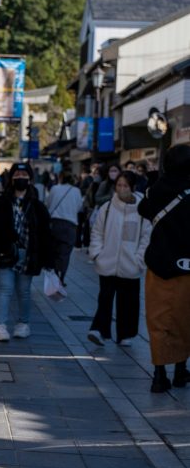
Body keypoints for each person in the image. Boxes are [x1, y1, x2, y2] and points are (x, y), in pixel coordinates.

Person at [0, 162, 53, 342]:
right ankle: (0, 326)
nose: (20, 178)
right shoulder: (0, 204)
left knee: (24, 291)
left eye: (24, 175)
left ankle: (23, 324)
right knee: (5, 289)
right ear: (11, 179)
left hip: (28, 254)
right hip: (4, 253)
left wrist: (48, 259)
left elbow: (45, 233)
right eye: (17, 175)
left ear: (30, 179)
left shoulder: (37, 206)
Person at [138, 145, 190, 392]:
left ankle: (159, 374)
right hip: (187, 267)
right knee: (185, 319)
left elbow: (142, 210)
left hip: (158, 265)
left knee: (158, 320)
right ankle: (181, 370)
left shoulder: (157, 190)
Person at [87, 171, 151, 348]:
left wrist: (139, 259)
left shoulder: (141, 210)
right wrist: (97, 254)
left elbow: (147, 237)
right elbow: (97, 232)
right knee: (105, 298)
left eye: (125, 186)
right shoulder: (107, 208)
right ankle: (99, 331)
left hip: (131, 264)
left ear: (133, 188)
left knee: (128, 301)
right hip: (107, 262)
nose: (121, 189)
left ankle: (126, 333)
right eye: (119, 185)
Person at [46, 172, 82, 282]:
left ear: (60, 177)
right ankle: (61, 277)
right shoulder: (76, 191)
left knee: (54, 250)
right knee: (65, 253)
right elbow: (79, 207)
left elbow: (48, 204)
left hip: (55, 223)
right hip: (70, 225)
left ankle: (55, 273)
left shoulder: (54, 189)